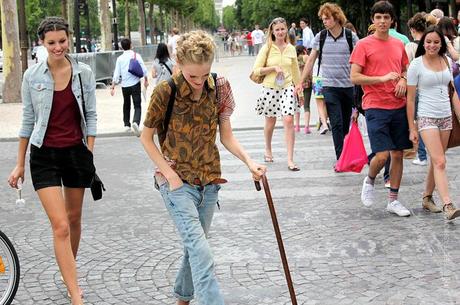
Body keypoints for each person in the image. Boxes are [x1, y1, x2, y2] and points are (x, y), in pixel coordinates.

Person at [140, 30, 266, 305]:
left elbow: (227, 136)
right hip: (177, 185)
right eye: (191, 76)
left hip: (209, 183)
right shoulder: (165, 91)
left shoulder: (219, 86)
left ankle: (182, 301)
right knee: (201, 250)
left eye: (203, 74)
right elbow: (146, 138)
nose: (198, 82)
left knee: (195, 249)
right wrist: (170, 176)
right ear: (179, 64)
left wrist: (249, 162)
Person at [7, 16, 96, 305]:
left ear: (68, 39)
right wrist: (19, 163)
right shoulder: (32, 77)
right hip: (43, 155)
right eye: (51, 43)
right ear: (42, 44)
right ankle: (75, 292)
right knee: (60, 225)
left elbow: (91, 117)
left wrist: (89, 152)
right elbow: (28, 121)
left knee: (74, 220)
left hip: (75, 153)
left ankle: (66, 270)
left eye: (62, 41)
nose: (57, 47)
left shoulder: (83, 73)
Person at [350, 1, 412, 217]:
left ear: (392, 20)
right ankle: (370, 179)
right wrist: (381, 78)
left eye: (386, 17)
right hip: (375, 105)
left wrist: (403, 80)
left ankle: (393, 201)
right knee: (382, 155)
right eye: (378, 17)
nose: (383, 21)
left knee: (398, 154)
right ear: (373, 20)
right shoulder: (363, 45)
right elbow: (354, 76)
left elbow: (405, 68)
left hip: (398, 105)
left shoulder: (398, 44)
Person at [406, 26, 460, 220]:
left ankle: (427, 197)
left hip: (446, 117)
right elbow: (410, 99)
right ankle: (448, 204)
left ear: (441, 44)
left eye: (436, 42)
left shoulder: (446, 61)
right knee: (440, 161)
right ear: (423, 43)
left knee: (437, 161)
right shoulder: (416, 65)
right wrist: (412, 127)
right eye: (428, 42)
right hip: (427, 117)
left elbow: (452, 92)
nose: (432, 45)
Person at [296, 2, 359, 163]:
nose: (324, 21)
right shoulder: (321, 37)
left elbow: (361, 59)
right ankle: (340, 159)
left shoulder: (350, 37)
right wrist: (300, 82)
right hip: (329, 87)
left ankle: (346, 153)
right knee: (336, 123)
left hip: (348, 87)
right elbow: (310, 61)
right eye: (323, 18)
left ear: (336, 18)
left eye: (327, 18)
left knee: (345, 124)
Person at [252, 17, 303, 171]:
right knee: (271, 122)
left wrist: (299, 88)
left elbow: (295, 71)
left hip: (287, 87)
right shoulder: (267, 48)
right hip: (269, 88)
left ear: (286, 29)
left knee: (288, 120)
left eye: (282, 29)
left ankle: (290, 160)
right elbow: (256, 70)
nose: (280, 32)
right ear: (272, 32)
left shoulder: (291, 48)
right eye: (277, 30)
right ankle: (268, 148)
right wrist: (273, 68)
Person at [110, 38, 148, 137]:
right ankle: (136, 121)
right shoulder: (136, 56)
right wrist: (146, 80)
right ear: (131, 45)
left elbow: (116, 73)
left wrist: (113, 86)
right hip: (135, 83)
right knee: (137, 105)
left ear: (122, 47)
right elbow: (144, 70)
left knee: (126, 104)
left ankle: (127, 124)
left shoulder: (120, 59)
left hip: (125, 85)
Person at [295, 45, 312, 134]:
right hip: (307, 83)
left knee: (297, 105)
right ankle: (306, 127)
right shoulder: (306, 57)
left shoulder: (294, 59)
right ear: (304, 50)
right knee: (306, 105)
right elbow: (310, 69)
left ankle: (297, 126)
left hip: (296, 84)